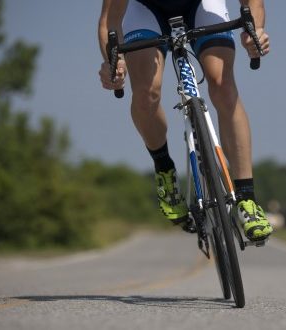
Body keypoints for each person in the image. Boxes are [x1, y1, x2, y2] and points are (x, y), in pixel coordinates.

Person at [98, 0, 273, 241]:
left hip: (203, 4)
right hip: (145, 9)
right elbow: (110, 20)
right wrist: (113, 63)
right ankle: (164, 169)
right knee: (146, 94)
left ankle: (247, 199)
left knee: (223, 86)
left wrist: (256, 31)